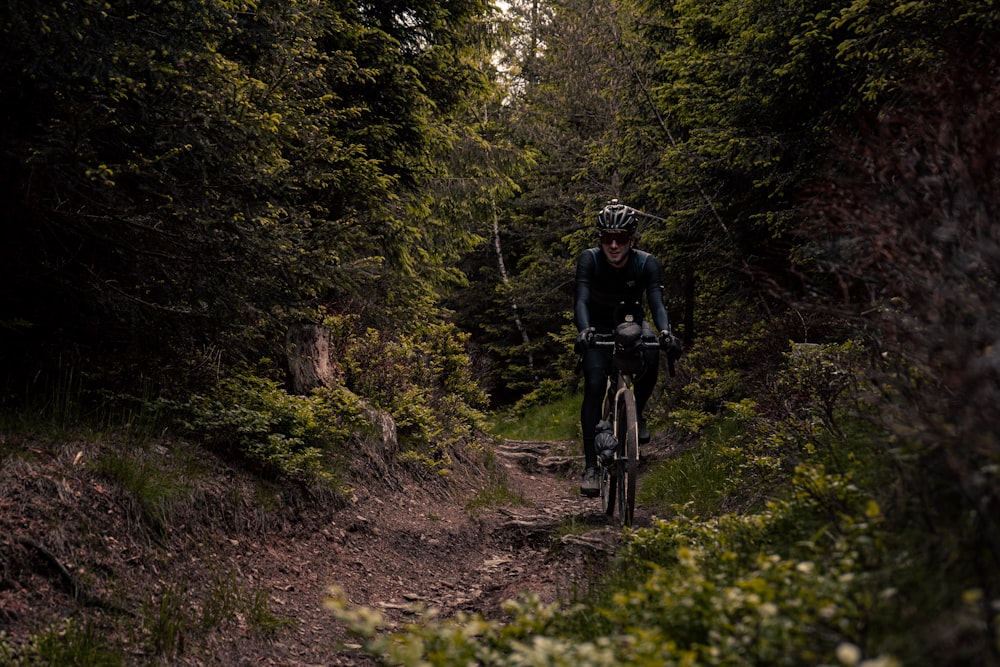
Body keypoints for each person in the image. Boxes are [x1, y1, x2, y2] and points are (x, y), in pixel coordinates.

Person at [573, 199, 679, 497]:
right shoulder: (589, 260)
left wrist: (666, 333)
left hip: (632, 325)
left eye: (621, 238)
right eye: (608, 238)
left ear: (633, 239)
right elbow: (580, 299)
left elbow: (657, 303)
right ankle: (591, 467)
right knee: (594, 383)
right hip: (597, 327)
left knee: (651, 351)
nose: (614, 245)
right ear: (600, 239)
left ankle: (638, 412)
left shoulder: (646, 263)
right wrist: (584, 332)